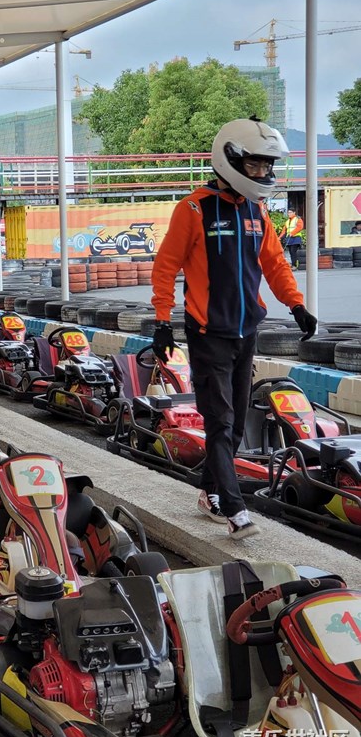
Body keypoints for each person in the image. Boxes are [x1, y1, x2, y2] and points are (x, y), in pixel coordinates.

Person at [150, 117, 317, 540]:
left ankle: (208, 492)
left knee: (236, 424)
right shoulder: (193, 210)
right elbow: (165, 267)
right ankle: (234, 509)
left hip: (247, 332)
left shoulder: (256, 211)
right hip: (209, 334)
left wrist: (296, 305)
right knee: (220, 422)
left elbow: (274, 264)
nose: (262, 173)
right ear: (230, 160)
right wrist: (162, 320)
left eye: (266, 166)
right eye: (254, 165)